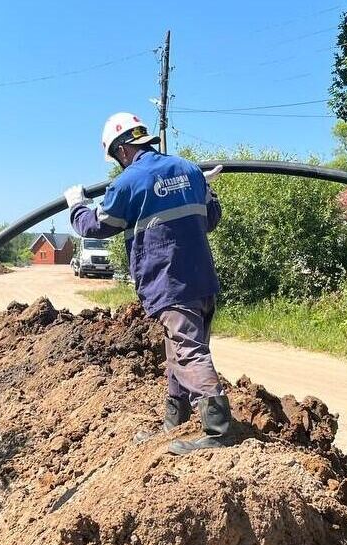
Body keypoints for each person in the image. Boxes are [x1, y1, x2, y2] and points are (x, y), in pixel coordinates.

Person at [64, 112, 229, 456]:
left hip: (169, 282)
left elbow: (96, 226)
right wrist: (206, 188)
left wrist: (77, 205)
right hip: (202, 280)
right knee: (177, 349)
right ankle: (175, 420)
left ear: (121, 150)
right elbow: (211, 218)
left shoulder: (128, 182)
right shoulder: (189, 170)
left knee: (188, 350)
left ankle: (217, 430)